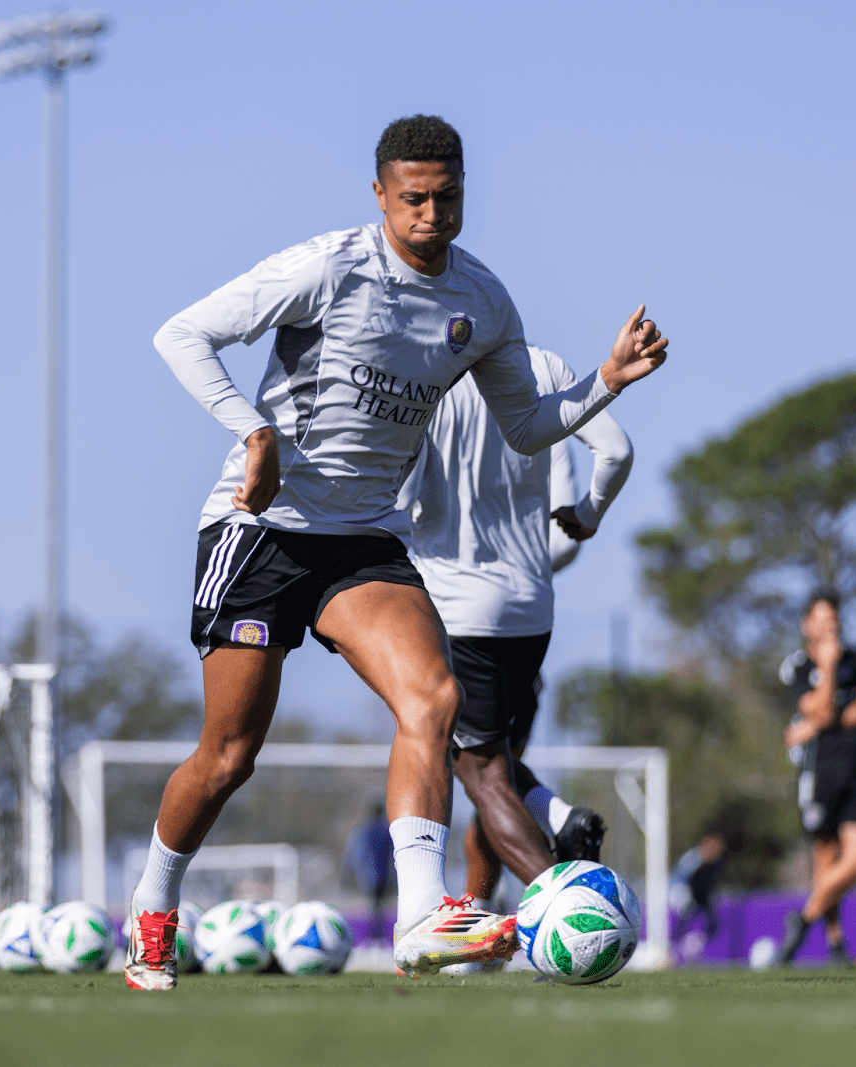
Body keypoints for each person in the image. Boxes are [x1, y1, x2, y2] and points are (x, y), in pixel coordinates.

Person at [123, 114, 668, 990]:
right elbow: (181, 334)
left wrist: (604, 380)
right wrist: (252, 431)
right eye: (411, 198)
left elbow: (527, 428)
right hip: (261, 530)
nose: (429, 215)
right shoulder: (328, 267)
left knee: (434, 697)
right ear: (379, 193)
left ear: (463, 195)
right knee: (228, 756)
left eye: (446, 198)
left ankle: (421, 912)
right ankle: (154, 907)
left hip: (363, 538)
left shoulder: (483, 302)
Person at [401, 344, 628, 907]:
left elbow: (397, 500)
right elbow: (616, 452)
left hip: (455, 610)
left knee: (482, 774)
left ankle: (569, 907)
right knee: (494, 767)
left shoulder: (422, 376)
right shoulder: (546, 369)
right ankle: (479, 922)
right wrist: (588, 515)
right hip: (531, 610)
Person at [776, 592, 856, 968]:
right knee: (825, 859)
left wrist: (820, 722)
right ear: (807, 624)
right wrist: (826, 667)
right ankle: (835, 943)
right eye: (820, 620)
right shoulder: (797, 666)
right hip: (819, 774)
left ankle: (803, 918)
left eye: (833, 620)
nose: (828, 627)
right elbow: (818, 707)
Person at [342, 801, 395, 944]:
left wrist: (350, 872)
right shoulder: (385, 830)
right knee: (378, 908)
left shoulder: (364, 830)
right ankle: (376, 938)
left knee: (375, 907)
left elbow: (356, 853)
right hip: (383, 875)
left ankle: (374, 939)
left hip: (370, 875)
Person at [669, 833, 726, 944]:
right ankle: (676, 944)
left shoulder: (711, 865)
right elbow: (679, 880)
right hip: (679, 894)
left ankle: (690, 945)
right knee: (685, 917)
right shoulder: (694, 859)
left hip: (696, 899)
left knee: (711, 924)